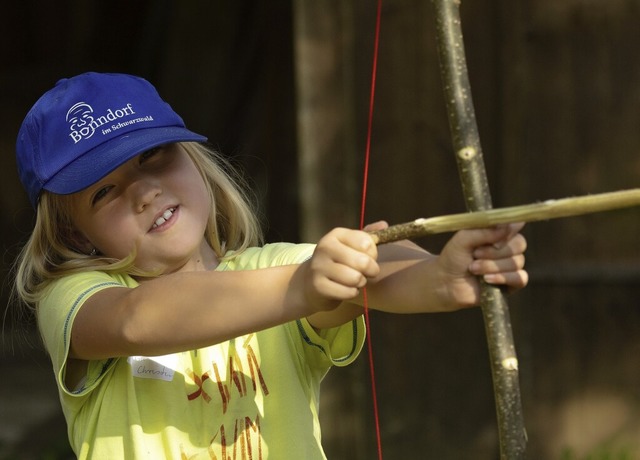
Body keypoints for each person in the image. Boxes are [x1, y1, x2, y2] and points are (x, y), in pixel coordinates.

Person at [13, 72, 528, 459]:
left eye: (155, 157)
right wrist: (306, 285)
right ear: (74, 233)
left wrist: (438, 276)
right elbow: (136, 320)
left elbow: (374, 270)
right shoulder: (75, 298)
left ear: (194, 160)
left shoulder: (273, 270)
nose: (145, 191)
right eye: (105, 190)